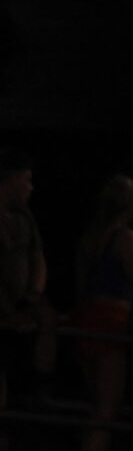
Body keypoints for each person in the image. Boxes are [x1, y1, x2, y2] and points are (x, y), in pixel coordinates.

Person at [68, 174, 133, 451]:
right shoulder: (124, 236)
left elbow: (81, 285)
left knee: (97, 404)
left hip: (88, 316)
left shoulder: (91, 236)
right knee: (106, 406)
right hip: (110, 321)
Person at [0, 150, 53, 420]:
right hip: (4, 305)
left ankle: (37, 386)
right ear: (11, 180)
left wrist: (33, 295)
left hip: (23, 302)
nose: (30, 187)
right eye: (26, 180)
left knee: (47, 321)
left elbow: (38, 256)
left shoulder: (25, 217)